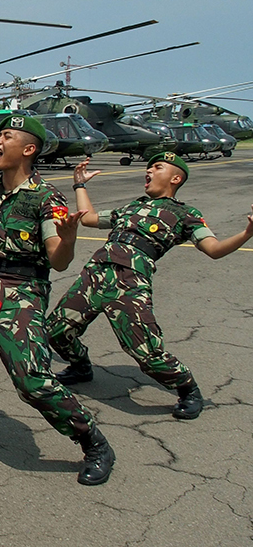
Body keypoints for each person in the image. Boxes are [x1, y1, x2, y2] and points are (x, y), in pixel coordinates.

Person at [0, 113, 115, 486]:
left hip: (22, 287)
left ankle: (93, 441)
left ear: (28, 149)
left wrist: (69, 239)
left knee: (31, 380)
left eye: (7, 136)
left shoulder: (46, 197)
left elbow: (58, 260)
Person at [47, 153, 253, 420]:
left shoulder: (186, 214)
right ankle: (80, 366)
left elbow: (214, 249)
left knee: (146, 352)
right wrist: (79, 185)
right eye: (149, 167)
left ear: (175, 178)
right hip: (95, 274)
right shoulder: (133, 207)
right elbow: (88, 219)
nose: (149, 171)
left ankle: (187, 388)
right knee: (56, 331)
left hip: (130, 280)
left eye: (157, 167)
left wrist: (247, 233)